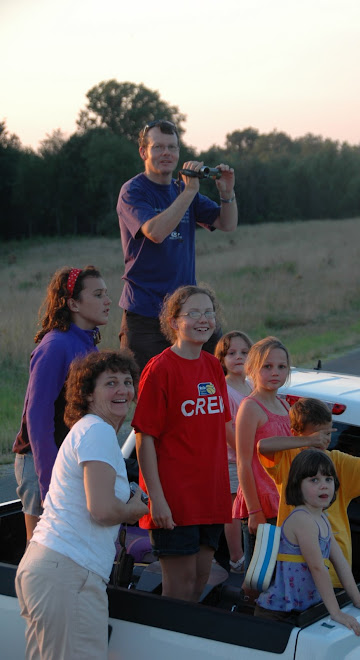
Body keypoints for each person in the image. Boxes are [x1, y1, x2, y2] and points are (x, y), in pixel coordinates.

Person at [15, 350, 148, 660]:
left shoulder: (89, 431)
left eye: (127, 382)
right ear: (87, 393)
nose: (122, 391)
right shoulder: (97, 431)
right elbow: (101, 510)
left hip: (51, 568)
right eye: (110, 383)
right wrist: (136, 509)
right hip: (68, 573)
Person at [258, 397, 360, 587]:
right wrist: (306, 441)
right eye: (318, 436)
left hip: (333, 563)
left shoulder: (337, 460)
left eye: (328, 434)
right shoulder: (287, 458)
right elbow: (262, 446)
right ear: (296, 433)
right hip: (293, 563)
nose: (324, 440)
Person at [133, 284, 232, 601]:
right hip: (174, 501)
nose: (203, 319)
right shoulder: (160, 369)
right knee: (179, 592)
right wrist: (156, 499)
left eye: (208, 312)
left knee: (199, 584)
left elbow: (223, 431)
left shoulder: (214, 366)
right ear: (174, 322)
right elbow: (144, 438)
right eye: (193, 313)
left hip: (211, 498)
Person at [117, 119, 238, 372]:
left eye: (172, 148)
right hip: (146, 313)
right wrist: (189, 192)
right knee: (150, 394)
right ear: (143, 151)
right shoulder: (133, 191)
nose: (166, 153)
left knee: (212, 377)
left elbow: (227, 223)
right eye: (158, 147)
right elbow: (156, 232)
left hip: (188, 312)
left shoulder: (182, 190)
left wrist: (227, 193)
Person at [12, 265, 111, 542]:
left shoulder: (90, 346)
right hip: (43, 462)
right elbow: (38, 416)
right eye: (99, 294)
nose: (108, 301)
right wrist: (50, 483)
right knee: (43, 551)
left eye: (107, 293)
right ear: (73, 303)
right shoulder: (55, 345)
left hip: (71, 461)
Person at [255, 449, 360, 635]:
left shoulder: (322, 519)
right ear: (296, 485)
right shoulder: (302, 519)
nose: (323, 485)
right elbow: (317, 567)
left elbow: (341, 564)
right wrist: (336, 612)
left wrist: (358, 600)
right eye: (314, 480)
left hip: (302, 609)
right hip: (277, 612)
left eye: (328, 479)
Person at [232, 336, 291, 571]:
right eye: (267, 366)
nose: (275, 372)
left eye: (281, 367)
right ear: (252, 369)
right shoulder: (250, 407)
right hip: (261, 506)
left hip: (284, 503)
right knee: (260, 576)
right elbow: (243, 463)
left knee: (280, 574)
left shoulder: (285, 406)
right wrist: (255, 511)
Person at [214, 331, 253, 573]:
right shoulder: (225, 390)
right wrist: (245, 454)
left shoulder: (251, 385)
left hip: (252, 461)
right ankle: (237, 558)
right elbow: (226, 430)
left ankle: (252, 554)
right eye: (232, 353)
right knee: (233, 512)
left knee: (250, 509)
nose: (239, 357)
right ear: (222, 359)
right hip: (233, 461)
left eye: (244, 353)